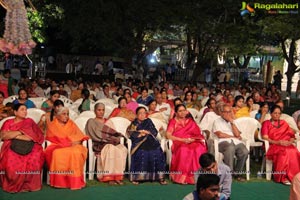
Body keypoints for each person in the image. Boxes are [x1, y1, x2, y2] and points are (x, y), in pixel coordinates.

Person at [0, 103, 44, 193]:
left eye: (25, 109)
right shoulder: (8, 122)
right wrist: (20, 132)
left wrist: (13, 134)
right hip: (11, 144)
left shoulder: (29, 121)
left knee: (35, 156)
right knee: (10, 157)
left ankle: (28, 185)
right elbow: (3, 136)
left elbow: (32, 137)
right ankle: (14, 183)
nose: (25, 112)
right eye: (22, 109)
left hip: (30, 145)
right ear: (15, 112)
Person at [45, 107, 89, 190]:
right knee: (56, 153)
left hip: (74, 145)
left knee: (76, 152)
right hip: (58, 146)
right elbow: (50, 138)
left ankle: (74, 181)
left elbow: (79, 135)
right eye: (64, 114)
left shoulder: (71, 123)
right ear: (57, 116)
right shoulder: (52, 125)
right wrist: (68, 143)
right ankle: (60, 182)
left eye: (67, 114)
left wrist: (77, 141)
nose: (66, 116)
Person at [85, 103, 127, 185]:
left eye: (103, 110)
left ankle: (117, 176)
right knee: (110, 148)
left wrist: (111, 139)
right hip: (99, 143)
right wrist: (104, 139)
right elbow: (93, 135)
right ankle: (109, 176)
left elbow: (114, 133)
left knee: (122, 148)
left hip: (110, 142)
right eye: (99, 110)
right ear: (95, 111)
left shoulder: (108, 121)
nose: (101, 112)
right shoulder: (91, 122)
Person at [166, 104, 207, 184]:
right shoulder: (173, 122)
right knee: (184, 150)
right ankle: (182, 178)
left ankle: (198, 177)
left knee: (198, 148)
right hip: (179, 142)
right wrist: (182, 140)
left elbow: (198, 134)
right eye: (180, 111)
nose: (182, 112)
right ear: (176, 112)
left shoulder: (190, 122)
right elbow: (168, 135)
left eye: (184, 110)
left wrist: (192, 139)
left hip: (192, 141)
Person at [127, 106, 167, 185]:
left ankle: (159, 177)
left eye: (144, 113)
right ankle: (138, 177)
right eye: (140, 113)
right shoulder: (134, 123)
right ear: (136, 114)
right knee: (141, 153)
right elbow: (130, 133)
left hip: (151, 141)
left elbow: (154, 131)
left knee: (157, 152)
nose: (142, 115)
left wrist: (146, 132)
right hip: (139, 143)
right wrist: (140, 133)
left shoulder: (148, 121)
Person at [261, 105, 300, 185]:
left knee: (293, 150)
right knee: (284, 152)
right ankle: (282, 177)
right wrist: (278, 142)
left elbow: (292, 136)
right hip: (274, 145)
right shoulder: (266, 123)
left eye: (279, 113)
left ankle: (295, 177)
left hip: (286, 144)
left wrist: (290, 142)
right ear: (271, 114)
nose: (277, 115)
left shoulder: (284, 123)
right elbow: (265, 138)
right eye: (275, 113)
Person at [212, 104, 248, 181]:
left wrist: (232, 123)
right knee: (230, 148)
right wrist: (232, 137)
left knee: (245, 151)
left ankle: (238, 173)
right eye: (226, 112)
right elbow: (220, 134)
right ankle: (229, 173)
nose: (228, 114)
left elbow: (238, 134)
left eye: (229, 112)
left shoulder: (234, 122)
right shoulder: (217, 121)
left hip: (236, 142)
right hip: (222, 142)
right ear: (222, 112)